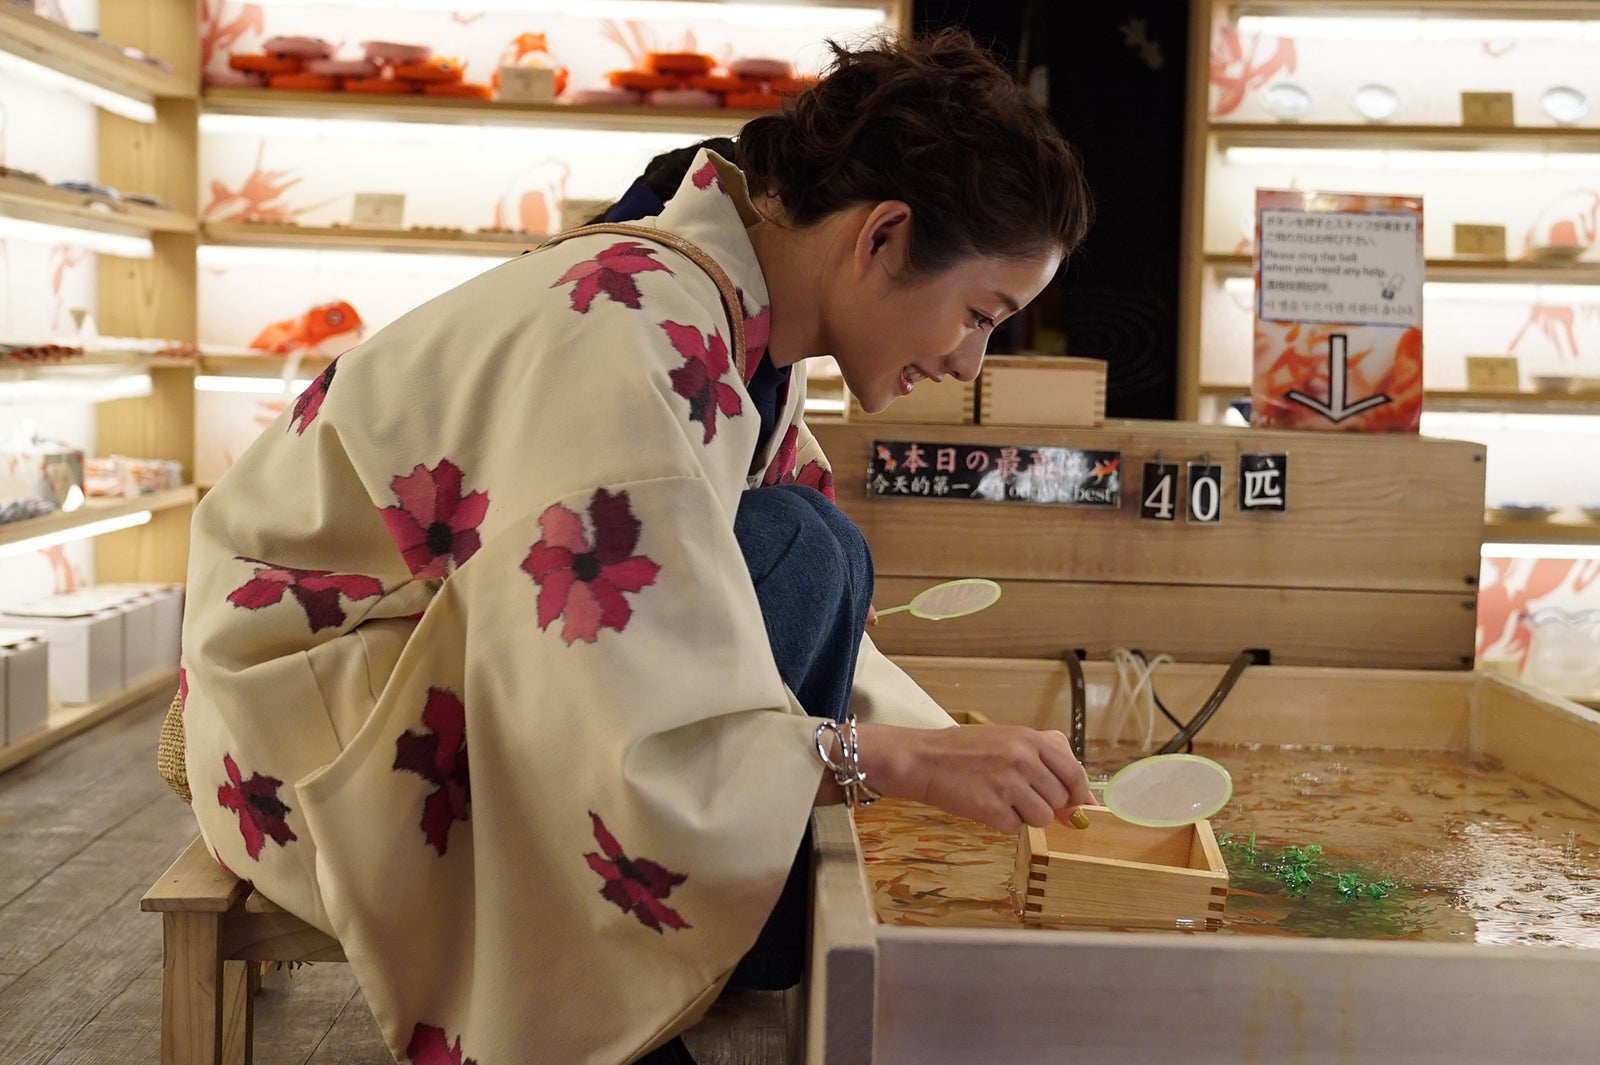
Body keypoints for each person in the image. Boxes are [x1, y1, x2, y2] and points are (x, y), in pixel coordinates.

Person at [178, 28, 1096, 1065]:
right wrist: (878, 757)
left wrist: (968, 767)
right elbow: (601, 670)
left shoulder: (735, 323)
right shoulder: (629, 321)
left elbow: (692, 626)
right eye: (979, 315)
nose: (970, 361)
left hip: (426, 660)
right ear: (882, 236)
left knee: (813, 549)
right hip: (312, 717)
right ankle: (584, 990)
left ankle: (680, 953)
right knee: (797, 547)